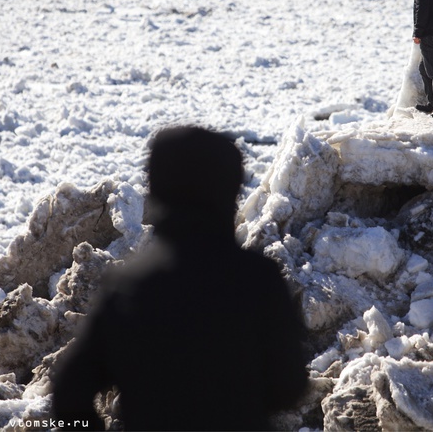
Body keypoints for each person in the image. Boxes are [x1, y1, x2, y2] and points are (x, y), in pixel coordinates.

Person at [51, 126, 308, 431]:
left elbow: (69, 394)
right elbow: (289, 386)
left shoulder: (129, 285)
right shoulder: (257, 279)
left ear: (157, 189)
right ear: (230, 189)